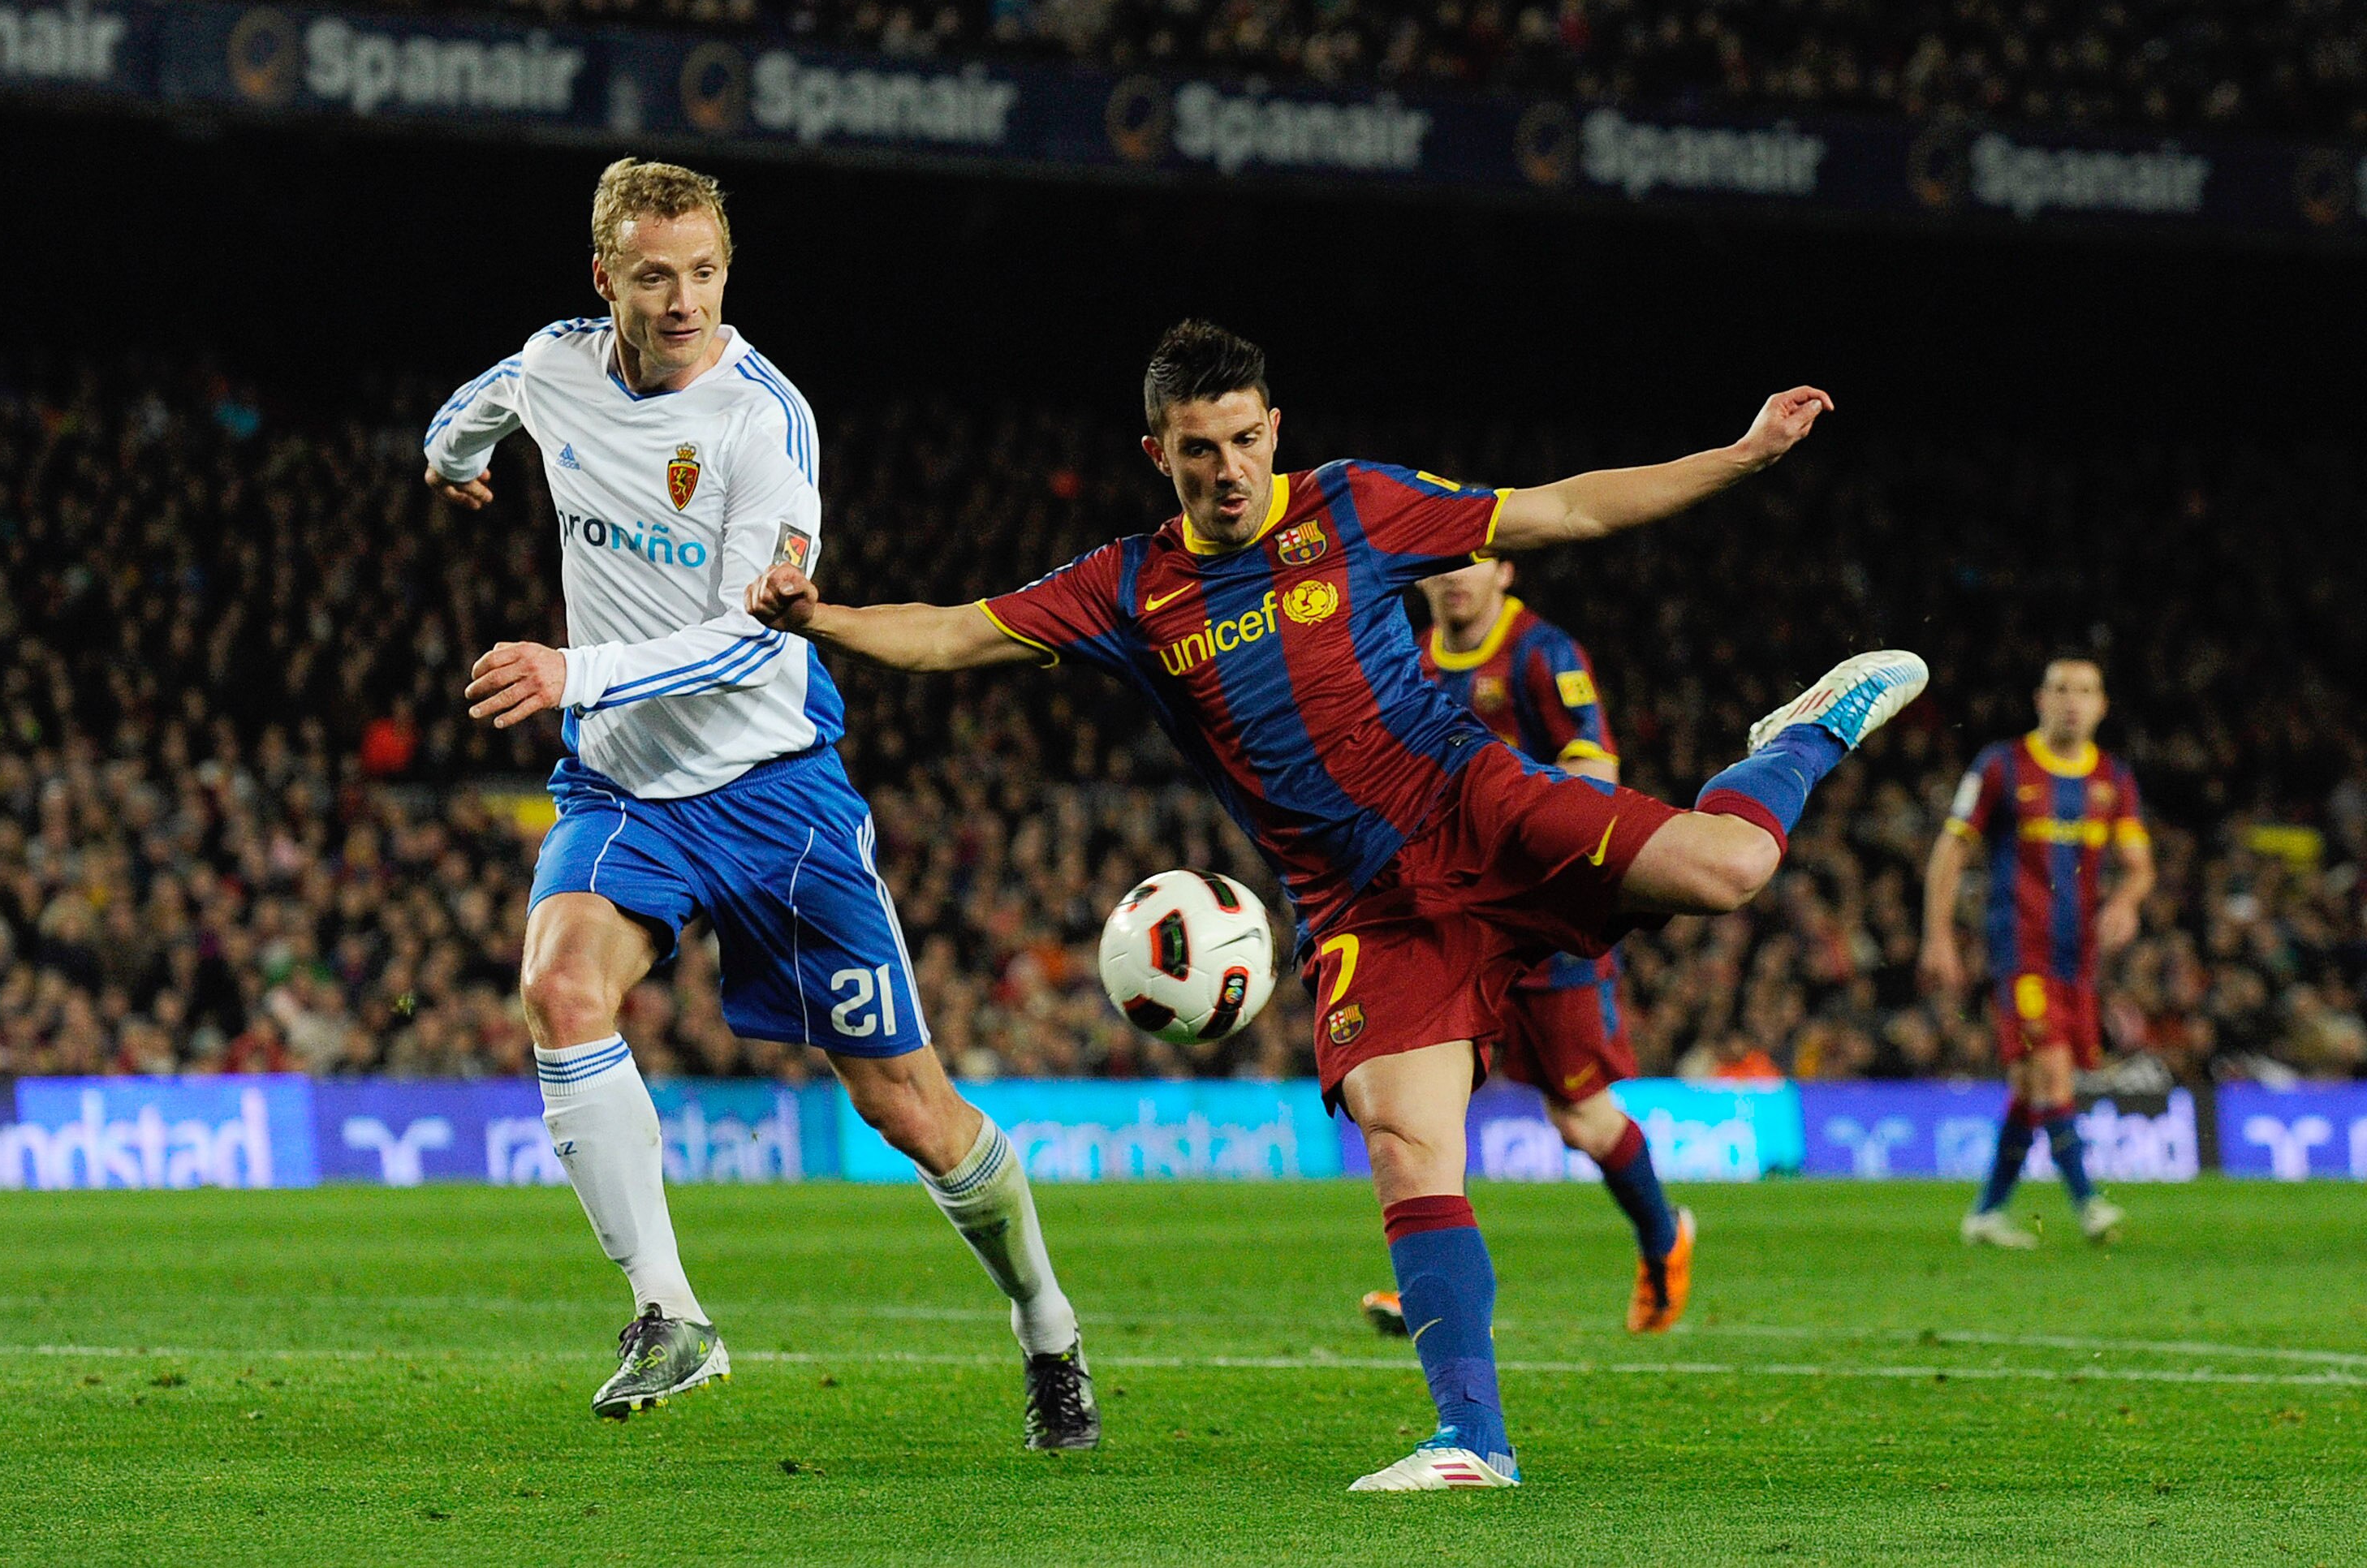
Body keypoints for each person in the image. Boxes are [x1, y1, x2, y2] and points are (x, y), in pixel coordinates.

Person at [748, 319, 1927, 1492]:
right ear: (1156, 452)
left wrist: (1742, 455)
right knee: (1408, 1142)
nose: (1226, 470)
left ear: (1277, 430)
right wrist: (822, 619)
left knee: (1732, 869)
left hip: (1480, 808)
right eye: (1197, 448)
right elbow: (956, 635)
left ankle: (1808, 730)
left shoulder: (1357, 505)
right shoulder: (1127, 586)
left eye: (1245, 440)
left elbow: (1564, 510)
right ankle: (1474, 1441)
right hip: (1362, 907)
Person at [422, 157, 1097, 1448]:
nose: (684, 301)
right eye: (655, 274)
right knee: (560, 990)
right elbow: (474, 410)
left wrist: (572, 670)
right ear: (604, 279)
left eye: (706, 273)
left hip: (777, 794)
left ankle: (1048, 1327)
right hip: (624, 785)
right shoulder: (551, 366)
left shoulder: (764, 422)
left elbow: (746, 642)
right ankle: (668, 1312)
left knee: (910, 1109)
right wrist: (452, 457)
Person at [1358, 558, 1693, 1341]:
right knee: (1423, 1103)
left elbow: (1596, 763)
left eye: (1471, 567)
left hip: (1542, 913)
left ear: (1505, 571)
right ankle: (1433, 1282)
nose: (1455, 583)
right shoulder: (1405, 658)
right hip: (1444, 915)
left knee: (1581, 1118)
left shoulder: (1543, 652)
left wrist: (1517, 818)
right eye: (1439, 570)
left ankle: (1662, 1238)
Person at [1922, 657, 2153, 1248]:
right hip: (2019, 952)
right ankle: (2089, 1203)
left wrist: (2127, 900)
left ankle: (1987, 1212)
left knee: (2032, 1085)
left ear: (2102, 706)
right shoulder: (2002, 765)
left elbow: (2140, 866)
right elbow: (1951, 850)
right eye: (2060, 690)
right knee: (2049, 1070)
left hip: (2078, 960)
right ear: (2039, 700)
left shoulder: (2113, 778)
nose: (2072, 701)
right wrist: (1939, 935)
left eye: (2084, 691)